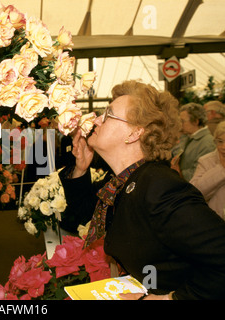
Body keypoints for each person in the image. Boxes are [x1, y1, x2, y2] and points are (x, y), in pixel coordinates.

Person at [61, 80, 225, 300]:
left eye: (108, 114)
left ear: (135, 133)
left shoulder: (161, 187)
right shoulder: (123, 180)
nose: (96, 120)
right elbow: (81, 215)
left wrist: (169, 299)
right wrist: (81, 168)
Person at [171, 103, 216, 181]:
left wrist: (178, 172)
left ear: (195, 121)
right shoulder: (187, 137)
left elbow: (199, 174)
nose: (180, 125)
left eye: (182, 121)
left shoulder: (207, 143)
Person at [190, 121, 225, 219]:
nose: (223, 147)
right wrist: (221, 169)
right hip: (214, 220)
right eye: (220, 141)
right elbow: (195, 192)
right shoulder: (206, 161)